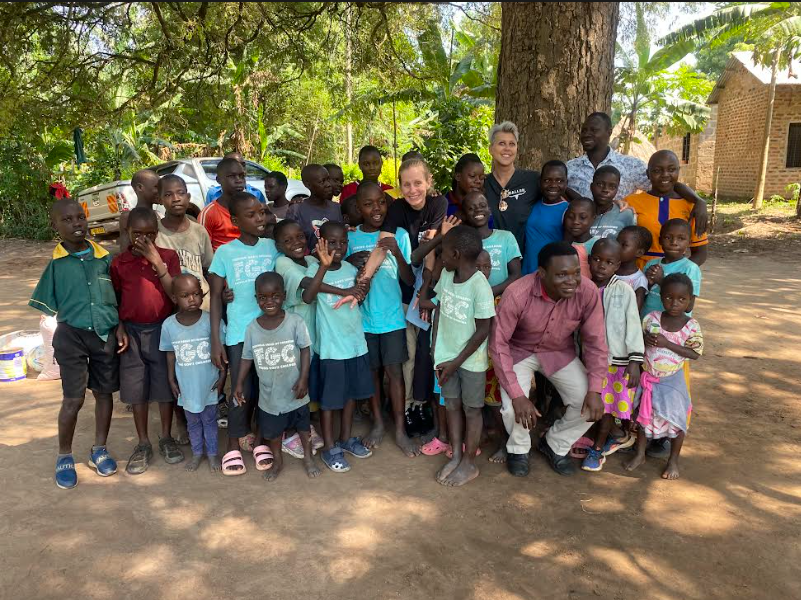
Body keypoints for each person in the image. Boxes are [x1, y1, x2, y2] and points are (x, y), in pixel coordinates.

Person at [489, 242, 608, 477]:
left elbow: (595, 342)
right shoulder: (517, 293)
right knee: (514, 408)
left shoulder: (587, 291)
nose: (572, 281)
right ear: (541, 273)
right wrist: (518, 395)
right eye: (562, 275)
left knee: (589, 404)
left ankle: (555, 444)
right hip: (518, 352)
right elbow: (498, 344)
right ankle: (518, 449)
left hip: (558, 352)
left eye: (575, 272)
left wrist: (595, 389)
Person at [30, 199, 125, 489]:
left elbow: (119, 296)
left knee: (104, 393)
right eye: (67, 220)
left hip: (105, 335)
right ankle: (64, 455)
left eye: (80, 218)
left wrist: (119, 326)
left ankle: (99, 448)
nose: (76, 224)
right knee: (73, 399)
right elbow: (47, 306)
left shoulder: (105, 258)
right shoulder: (56, 265)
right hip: (71, 337)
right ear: (55, 226)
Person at [208, 192, 279, 475]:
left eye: (261, 212)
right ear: (235, 220)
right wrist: (216, 339)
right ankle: (233, 445)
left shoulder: (272, 247)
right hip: (239, 333)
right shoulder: (225, 252)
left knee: (266, 388)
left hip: (271, 331)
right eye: (251, 215)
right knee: (241, 390)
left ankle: (260, 440)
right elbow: (215, 296)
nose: (259, 218)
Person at [273, 219, 355, 458]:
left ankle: (306, 427)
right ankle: (290, 434)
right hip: (293, 336)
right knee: (293, 384)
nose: (296, 243)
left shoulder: (310, 260)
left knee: (308, 384)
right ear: (278, 245)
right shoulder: (283, 262)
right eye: (287, 240)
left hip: (316, 334)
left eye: (299, 237)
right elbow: (310, 288)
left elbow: (331, 271)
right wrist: (345, 292)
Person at [346, 182, 417, 457]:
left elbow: (410, 280)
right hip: (362, 320)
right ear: (357, 208)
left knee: (394, 374)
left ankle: (399, 429)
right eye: (368, 204)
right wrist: (351, 260)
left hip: (392, 319)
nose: (376, 209)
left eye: (381, 202)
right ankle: (377, 423)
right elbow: (337, 270)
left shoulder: (398, 234)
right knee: (372, 374)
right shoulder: (351, 238)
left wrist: (398, 253)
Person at [111, 207, 183, 474]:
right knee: (136, 389)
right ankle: (143, 443)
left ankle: (166, 437)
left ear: (157, 233)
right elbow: (115, 299)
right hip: (131, 332)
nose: (143, 239)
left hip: (162, 331)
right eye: (137, 234)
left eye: (150, 234)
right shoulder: (119, 263)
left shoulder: (168, 257)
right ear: (127, 232)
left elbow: (174, 294)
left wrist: (157, 262)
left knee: (164, 387)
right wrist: (119, 326)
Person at [233, 272, 321, 481]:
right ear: (256, 299)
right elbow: (246, 358)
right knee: (272, 433)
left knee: (303, 428)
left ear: (284, 295)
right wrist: (238, 383)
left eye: (275, 296)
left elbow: (306, 350)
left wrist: (303, 379)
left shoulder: (295, 322)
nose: (269, 301)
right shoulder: (252, 329)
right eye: (263, 297)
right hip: (269, 396)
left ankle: (308, 458)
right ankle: (278, 461)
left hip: (295, 391)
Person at [303, 223, 374, 473]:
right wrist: (323, 265)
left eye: (343, 242)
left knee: (351, 397)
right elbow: (308, 296)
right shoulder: (314, 267)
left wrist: (361, 289)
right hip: (332, 349)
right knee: (330, 402)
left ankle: (345, 438)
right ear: (321, 242)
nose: (338, 247)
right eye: (332, 242)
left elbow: (362, 293)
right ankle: (330, 447)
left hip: (355, 345)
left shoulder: (351, 268)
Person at [566, 112, 708, 234]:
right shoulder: (570, 168)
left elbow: (667, 184)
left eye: (593, 130)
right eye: (584, 130)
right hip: (579, 239)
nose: (586, 134)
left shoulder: (630, 165)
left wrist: (698, 201)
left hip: (616, 245)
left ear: (609, 132)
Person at [430, 226, 496, 487]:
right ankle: (456, 454)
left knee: (471, 409)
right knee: (452, 406)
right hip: (446, 359)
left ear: (455, 254)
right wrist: (436, 351)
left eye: (443, 252)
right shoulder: (447, 275)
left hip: (469, 362)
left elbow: (483, 331)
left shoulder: (480, 286)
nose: (441, 256)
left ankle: (469, 462)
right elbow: (439, 313)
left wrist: (455, 362)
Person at [624, 273, 703, 480]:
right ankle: (640, 453)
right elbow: (636, 341)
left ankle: (673, 460)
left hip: (672, 380)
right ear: (661, 297)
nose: (674, 303)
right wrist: (645, 339)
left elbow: (694, 353)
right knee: (644, 417)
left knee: (676, 421)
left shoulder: (691, 326)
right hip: (648, 377)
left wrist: (667, 344)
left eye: (681, 299)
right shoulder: (651, 319)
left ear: (689, 301)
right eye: (669, 297)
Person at [383, 159, 447, 407]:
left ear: (429, 182)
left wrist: (425, 290)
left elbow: (430, 246)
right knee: (408, 355)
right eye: (406, 184)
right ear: (399, 187)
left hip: (427, 293)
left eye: (418, 183)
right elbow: (384, 242)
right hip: (404, 292)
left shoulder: (437, 204)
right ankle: (408, 404)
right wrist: (364, 281)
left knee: (428, 352)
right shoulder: (397, 208)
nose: (412, 190)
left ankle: (425, 405)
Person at [581, 239, 643, 472]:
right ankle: (590, 439)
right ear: (589, 260)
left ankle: (597, 449)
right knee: (589, 405)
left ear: (617, 265)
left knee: (606, 409)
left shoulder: (623, 290)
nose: (601, 266)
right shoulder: (582, 287)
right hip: (587, 359)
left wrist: (635, 361)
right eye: (596, 259)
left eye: (608, 262)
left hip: (616, 362)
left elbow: (633, 326)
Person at [159, 274, 226, 473]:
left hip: (209, 384)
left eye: (197, 294)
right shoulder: (169, 325)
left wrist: (223, 375)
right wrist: (171, 378)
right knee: (193, 422)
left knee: (209, 420)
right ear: (174, 298)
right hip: (186, 386)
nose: (192, 299)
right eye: (185, 295)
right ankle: (197, 453)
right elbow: (170, 353)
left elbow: (223, 351)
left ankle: (213, 453)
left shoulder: (211, 321)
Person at [623, 150, 709, 269]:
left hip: (674, 281)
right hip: (637, 275)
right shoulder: (631, 202)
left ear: (679, 170)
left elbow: (700, 253)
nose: (665, 174)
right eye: (657, 171)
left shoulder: (691, 207)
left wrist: (676, 272)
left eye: (671, 169)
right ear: (648, 173)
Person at [156, 174, 214, 311]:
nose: (176, 199)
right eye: (168, 195)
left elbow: (208, 268)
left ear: (188, 197)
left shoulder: (199, 231)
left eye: (180, 193)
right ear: (160, 199)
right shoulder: (155, 232)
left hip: (202, 305)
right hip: (170, 306)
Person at [483, 121, 541, 254]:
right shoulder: (482, 183)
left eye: (512, 144)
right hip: (490, 260)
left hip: (525, 261)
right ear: (490, 149)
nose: (507, 148)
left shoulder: (532, 180)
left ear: (517, 149)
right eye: (501, 143)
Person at [642, 219, 702, 318]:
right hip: (646, 320)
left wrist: (661, 281)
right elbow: (641, 296)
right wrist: (648, 283)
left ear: (689, 243)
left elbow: (688, 307)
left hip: (673, 327)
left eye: (681, 238)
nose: (674, 242)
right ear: (660, 240)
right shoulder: (651, 264)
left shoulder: (690, 268)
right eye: (668, 237)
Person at [521, 160, 570, 274]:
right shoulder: (533, 204)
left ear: (566, 183)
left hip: (549, 275)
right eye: (547, 180)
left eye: (559, 180)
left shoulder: (568, 211)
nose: (553, 185)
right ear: (540, 182)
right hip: (527, 272)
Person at [286, 164, 342, 252]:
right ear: (308, 184)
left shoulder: (337, 208)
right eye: (322, 181)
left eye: (328, 179)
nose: (328, 184)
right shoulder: (296, 210)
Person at [199, 157, 246, 251]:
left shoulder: (251, 207)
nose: (238, 180)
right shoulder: (209, 213)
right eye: (232, 176)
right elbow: (202, 249)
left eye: (241, 176)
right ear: (219, 180)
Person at [589, 166, 637, 239]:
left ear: (617, 189)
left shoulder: (626, 214)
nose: (605, 190)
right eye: (600, 184)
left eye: (612, 186)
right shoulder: (581, 211)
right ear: (591, 187)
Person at [119, 168, 160, 252]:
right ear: (140, 187)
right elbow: (124, 252)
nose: (159, 191)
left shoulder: (159, 215)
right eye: (156, 187)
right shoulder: (127, 217)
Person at [616, 225, 652, 312]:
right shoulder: (609, 270)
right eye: (617, 242)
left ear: (639, 252)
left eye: (624, 245)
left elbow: (635, 312)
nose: (617, 247)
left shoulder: (639, 280)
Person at [563, 197, 600, 279]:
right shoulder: (563, 246)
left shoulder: (597, 246)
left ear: (593, 218)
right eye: (571, 216)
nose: (575, 221)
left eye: (582, 217)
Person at [445, 153, 487, 220]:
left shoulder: (484, 206)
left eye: (481, 178)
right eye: (472, 176)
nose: (478, 181)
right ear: (458, 176)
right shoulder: (443, 205)